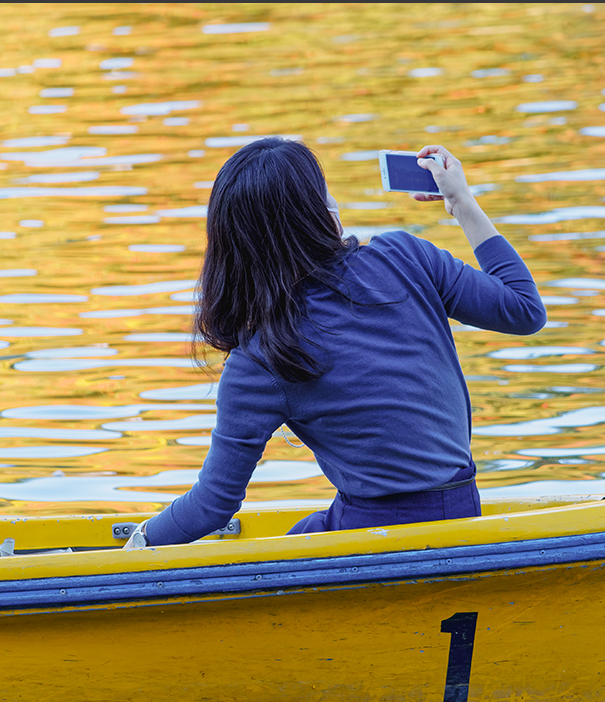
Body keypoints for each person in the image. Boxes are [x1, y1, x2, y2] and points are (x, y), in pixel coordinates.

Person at [128, 138, 545, 548]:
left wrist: (139, 542)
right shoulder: (406, 256)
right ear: (320, 212)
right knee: (307, 530)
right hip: (461, 511)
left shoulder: (261, 358)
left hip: (376, 538)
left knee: (296, 542)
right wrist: (462, 203)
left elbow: (212, 506)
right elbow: (525, 310)